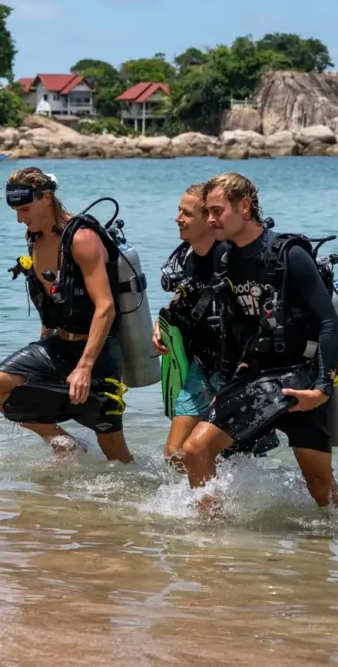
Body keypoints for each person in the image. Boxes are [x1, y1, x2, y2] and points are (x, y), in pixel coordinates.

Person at [180, 173, 338, 508]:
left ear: (244, 206)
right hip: (256, 377)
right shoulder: (225, 257)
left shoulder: (289, 255)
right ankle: (208, 541)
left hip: (299, 377)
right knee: (195, 451)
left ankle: (336, 546)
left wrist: (322, 388)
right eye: (207, 212)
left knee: (319, 486)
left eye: (217, 211)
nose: (210, 220)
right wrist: (223, 387)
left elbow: (328, 322)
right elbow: (232, 328)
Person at [0, 167, 133, 463]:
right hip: (59, 346)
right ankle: (63, 442)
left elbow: (106, 307)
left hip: (97, 353)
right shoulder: (34, 237)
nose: (20, 218)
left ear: (46, 198)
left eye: (24, 209)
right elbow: (51, 296)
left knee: (116, 454)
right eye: (15, 210)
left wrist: (85, 367)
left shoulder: (82, 238)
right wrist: (44, 337)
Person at [154, 182, 225, 467]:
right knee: (175, 454)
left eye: (186, 213)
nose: (177, 218)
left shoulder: (230, 258)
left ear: (209, 219)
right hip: (199, 363)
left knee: (219, 452)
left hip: (231, 368)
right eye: (178, 210)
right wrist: (161, 324)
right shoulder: (188, 255)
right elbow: (188, 293)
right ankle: (200, 505)